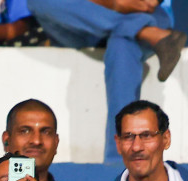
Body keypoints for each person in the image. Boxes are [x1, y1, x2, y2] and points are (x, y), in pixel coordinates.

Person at [24, 0, 185, 156]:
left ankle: (116, 163)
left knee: (122, 46)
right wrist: (113, 3)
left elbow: (148, 3)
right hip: (87, 18)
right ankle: (145, 32)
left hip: (141, 15)